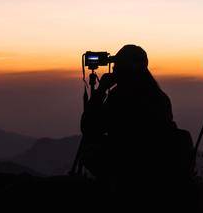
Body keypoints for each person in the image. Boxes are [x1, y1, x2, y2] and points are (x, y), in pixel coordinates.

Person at [79, 45, 192, 193]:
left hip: (128, 164)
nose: (114, 69)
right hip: (158, 166)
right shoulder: (159, 96)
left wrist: (101, 90)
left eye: (117, 66)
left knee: (90, 150)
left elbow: (90, 128)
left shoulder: (120, 97)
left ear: (124, 69)